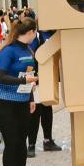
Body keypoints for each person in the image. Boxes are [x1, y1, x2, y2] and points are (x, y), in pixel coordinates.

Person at [0, 17, 39, 166]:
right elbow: (0, 77)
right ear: (31, 32)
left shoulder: (29, 50)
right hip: (4, 101)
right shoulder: (8, 51)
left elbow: (30, 75)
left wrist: (31, 98)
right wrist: (22, 81)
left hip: (23, 101)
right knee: (11, 142)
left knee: (21, 140)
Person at [26, 28, 61, 156]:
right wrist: (31, 77)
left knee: (47, 110)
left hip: (47, 79)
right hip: (36, 79)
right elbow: (28, 58)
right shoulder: (35, 37)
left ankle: (48, 140)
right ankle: (31, 144)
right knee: (35, 112)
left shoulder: (54, 34)